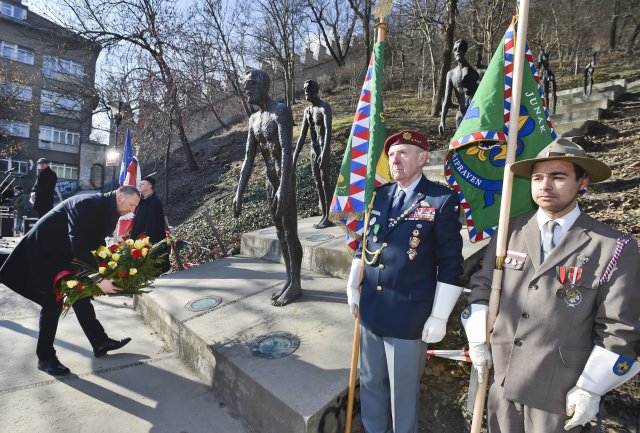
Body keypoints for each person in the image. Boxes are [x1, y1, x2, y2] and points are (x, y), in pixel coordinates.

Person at [462, 138, 640, 433]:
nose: (545, 185)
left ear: (582, 182)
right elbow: (483, 286)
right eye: (537, 177)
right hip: (501, 385)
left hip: (558, 397)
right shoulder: (510, 231)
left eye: (558, 177)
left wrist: (590, 389)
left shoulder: (612, 246)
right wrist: (478, 335)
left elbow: (619, 328)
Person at [346, 130, 464, 433]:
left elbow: (451, 264)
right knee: (371, 382)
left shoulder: (441, 199)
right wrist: (352, 283)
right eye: (392, 154)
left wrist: (439, 316)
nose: (395, 159)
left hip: (409, 316)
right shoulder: (382, 195)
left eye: (404, 153)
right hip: (371, 308)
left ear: (423, 158)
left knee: (402, 390)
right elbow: (368, 242)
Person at [0, 186, 141, 376]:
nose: (132, 210)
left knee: (80, 295)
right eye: (132, 204)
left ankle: (99, 342)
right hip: (44, 252)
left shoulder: (108, 209)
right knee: (52, 304)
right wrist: (97, 278)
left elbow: (96, 243)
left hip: (65, 254)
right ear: (120, 197)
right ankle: (45, 357)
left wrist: (108, 267)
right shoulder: (88, 204)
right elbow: (79, 241)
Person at [233, 68, 303, 307]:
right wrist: (238, 192)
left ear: (264, 85)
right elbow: (248, 158)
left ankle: (296, 283)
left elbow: (286, 151)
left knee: (290, 231)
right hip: (269, 180)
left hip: (285, 179)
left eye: (251, 84)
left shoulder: (280, 111)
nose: (247, 89)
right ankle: (288, 278)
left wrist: (284, 187)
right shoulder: (254, 119)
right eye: (245, 85)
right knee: (280, 232)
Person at [293, 79, 335, 229]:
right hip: (313, 150)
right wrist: (294, 157)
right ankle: (324, 213)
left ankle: (329, 216)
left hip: (323, 150)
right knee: (318, 183)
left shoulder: (324, 108)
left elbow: (329, 132)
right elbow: (302, 136)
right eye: (304, 89)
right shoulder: (307, 111)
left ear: (314, 91)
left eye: (308, 89)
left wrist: (325, 153)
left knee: (325, 182)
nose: (305, 92)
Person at [439, 39, 480, 136]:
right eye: (455, 49)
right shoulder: (451, 74)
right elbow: (447, 99)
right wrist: (442, 121)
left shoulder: (474, 73)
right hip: (461, 115)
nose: (457, 51)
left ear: (465, 50)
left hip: (475, 115)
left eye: (460, 48)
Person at [131, 176, 170, 272]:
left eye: (142, 184)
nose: (139, 185)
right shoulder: (142, 201)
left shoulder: (154, 202)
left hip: (151, 237)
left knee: (154, 264)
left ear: (150, 186)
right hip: (141, 237)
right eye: (139, 184)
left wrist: (145, 237)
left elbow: (153, 223)